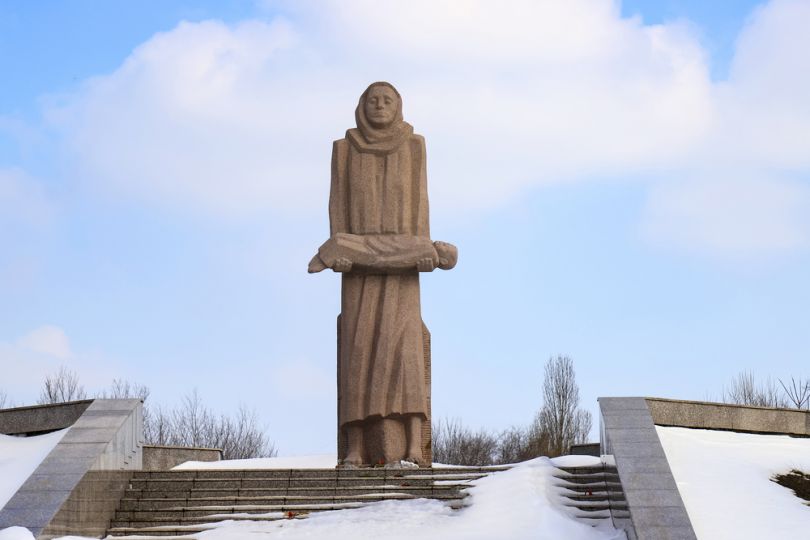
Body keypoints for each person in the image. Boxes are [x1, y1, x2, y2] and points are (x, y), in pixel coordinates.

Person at [324, 82, 455, 466]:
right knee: (358, 352)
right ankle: (354, 448)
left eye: (387, 100)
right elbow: (338, 207)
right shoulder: (344, 149)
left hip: (402, 274)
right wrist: (341, 249)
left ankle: (415, 445)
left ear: (399, 106)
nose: (379, 106)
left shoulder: (413, 146)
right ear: (361, 106)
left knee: (406, 352)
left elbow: (420, 209)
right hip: (358, 275)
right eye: (372, 100)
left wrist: (424, 250)